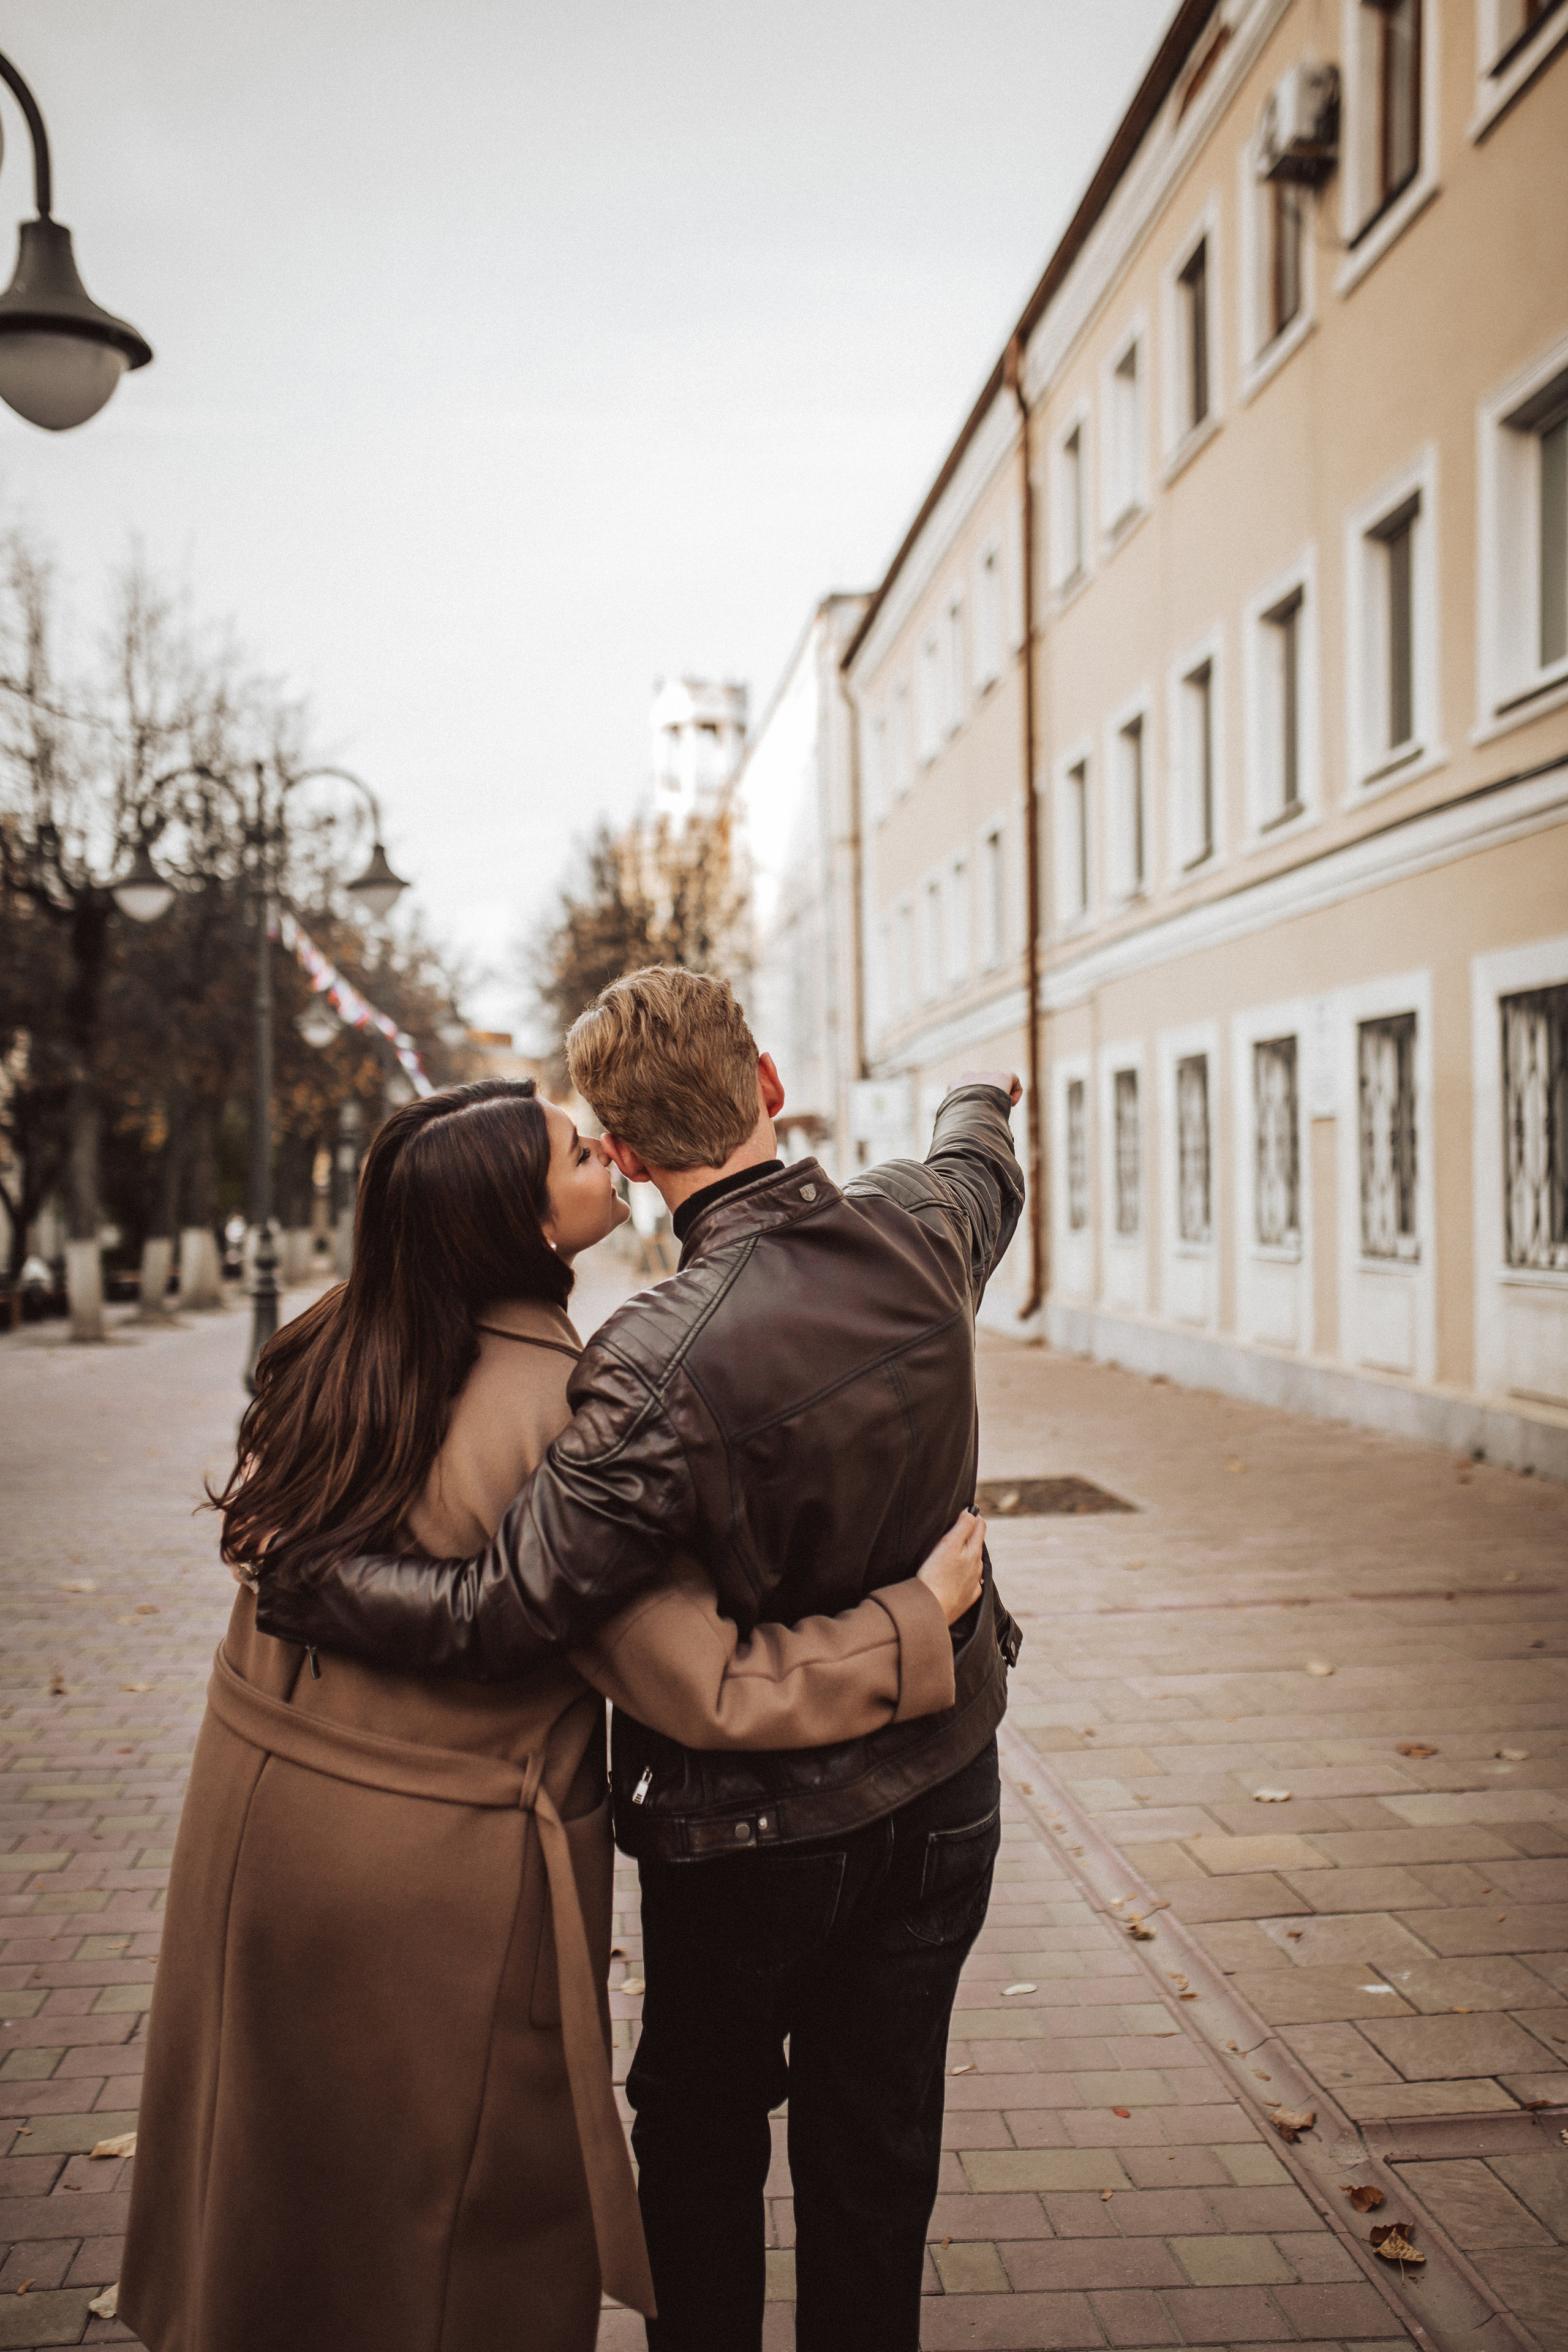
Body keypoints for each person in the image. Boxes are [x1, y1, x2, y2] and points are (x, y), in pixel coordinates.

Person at [118, 1077, 985, 2352]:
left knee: (286, 2183)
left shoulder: (326, 1345)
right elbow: (704, 1682)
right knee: (452, 2223)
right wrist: (916, 1619)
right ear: (525, 1230)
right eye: (584, 1154)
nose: (611, 1156)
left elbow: (282, 1550)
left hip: (257, 1832)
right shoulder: (565, 1416)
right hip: (439, 1874)